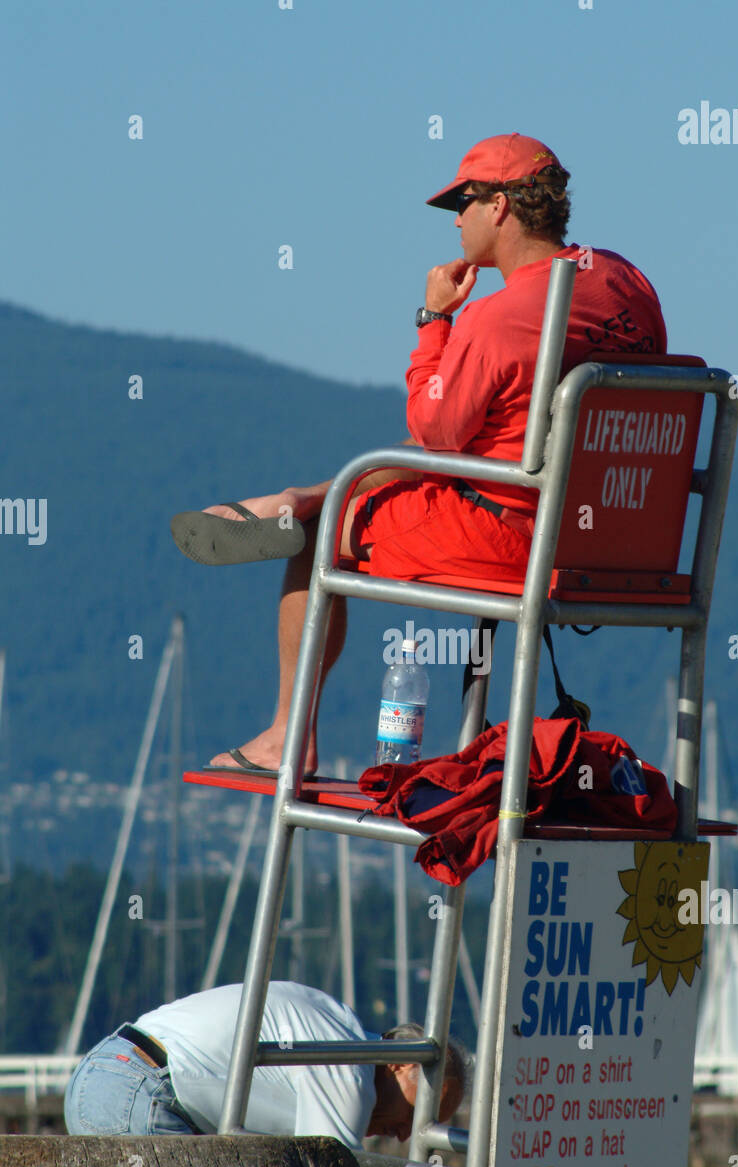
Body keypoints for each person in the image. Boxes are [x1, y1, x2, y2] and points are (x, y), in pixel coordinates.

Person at [172, 133, 667, 775]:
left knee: (321, 533)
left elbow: (434, 430)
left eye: (464, 201)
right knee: (427, 461)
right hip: (625, 544)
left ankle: (285, 738)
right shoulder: (627, 284)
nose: (456, 219)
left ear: (501, 208)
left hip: (518, 538)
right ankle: (303, 494)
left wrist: (433, 321)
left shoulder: (502, 318)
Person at [63, 980, 465, 1148]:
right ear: (397, 1064)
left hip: (111, 1071)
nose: (404, 1136)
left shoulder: (338, 1025)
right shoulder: (349, 1070)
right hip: (143, 1093)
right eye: (414, 1114)